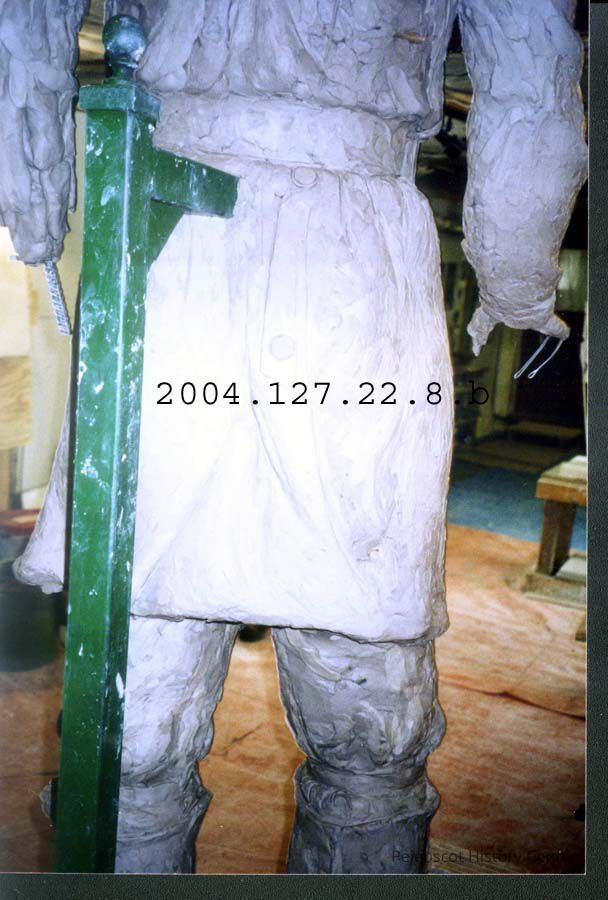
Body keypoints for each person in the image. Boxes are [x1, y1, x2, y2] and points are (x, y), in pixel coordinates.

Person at [5, 0, 586, 873]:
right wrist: (514, 268)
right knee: (136, 733)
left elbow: (527, 43)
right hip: (200, 247)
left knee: (368, 734)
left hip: (302, 258)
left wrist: (36, 195)